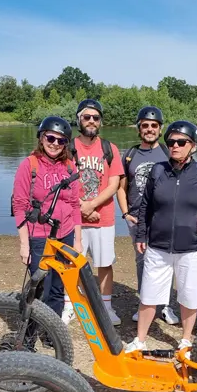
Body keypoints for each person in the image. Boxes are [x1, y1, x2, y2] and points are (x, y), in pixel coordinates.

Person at [126, 121, 197, 353]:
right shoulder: (158, 170)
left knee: (189, 296)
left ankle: (185, 340)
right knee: (148, 296)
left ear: (193, 145)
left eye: (181, 142)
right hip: (158, 246)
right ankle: (140, 340)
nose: (175, 146)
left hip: (192, 248)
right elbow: (145, 206)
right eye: (171, 141)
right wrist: (141, 234)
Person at [12, 116, 82, 319]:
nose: (55, 144)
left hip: (66, 234)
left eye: (61, 141)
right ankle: (30, 333)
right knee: (41, 286)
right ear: (42, 138)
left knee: (59, 287)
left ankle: (53, 332)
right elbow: (19, 206)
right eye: (51, 138)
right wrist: (24, 244)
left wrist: (77, 240)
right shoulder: (29, 165)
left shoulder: (69, 166)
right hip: (40, 235)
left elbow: (74, 204)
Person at [116, 106, 180, 326]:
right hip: (137, 218)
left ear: (160, 128)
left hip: (163, 217)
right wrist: (125, 213)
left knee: (167, 260)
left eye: (154, 125)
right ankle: (146, 303)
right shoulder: (130, 155)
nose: (149, 129)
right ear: (139, 128)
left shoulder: (167, 150)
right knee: (142, 260)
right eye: (145, 125)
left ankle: (165, 306)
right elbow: (121, 188)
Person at [62, 99, 123, 326]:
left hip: (103, 217)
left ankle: (106, 307)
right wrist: (82, 208)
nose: (91, 121)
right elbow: (63, 180)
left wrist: (92, 205)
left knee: (104, 263)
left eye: (95, 118)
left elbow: (114, 183)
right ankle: (70, 305)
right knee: (71, 262)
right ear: (78, 119)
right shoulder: (68, 147)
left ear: (100, 122)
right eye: (86, 117)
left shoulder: (110, 148)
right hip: (72, 217)